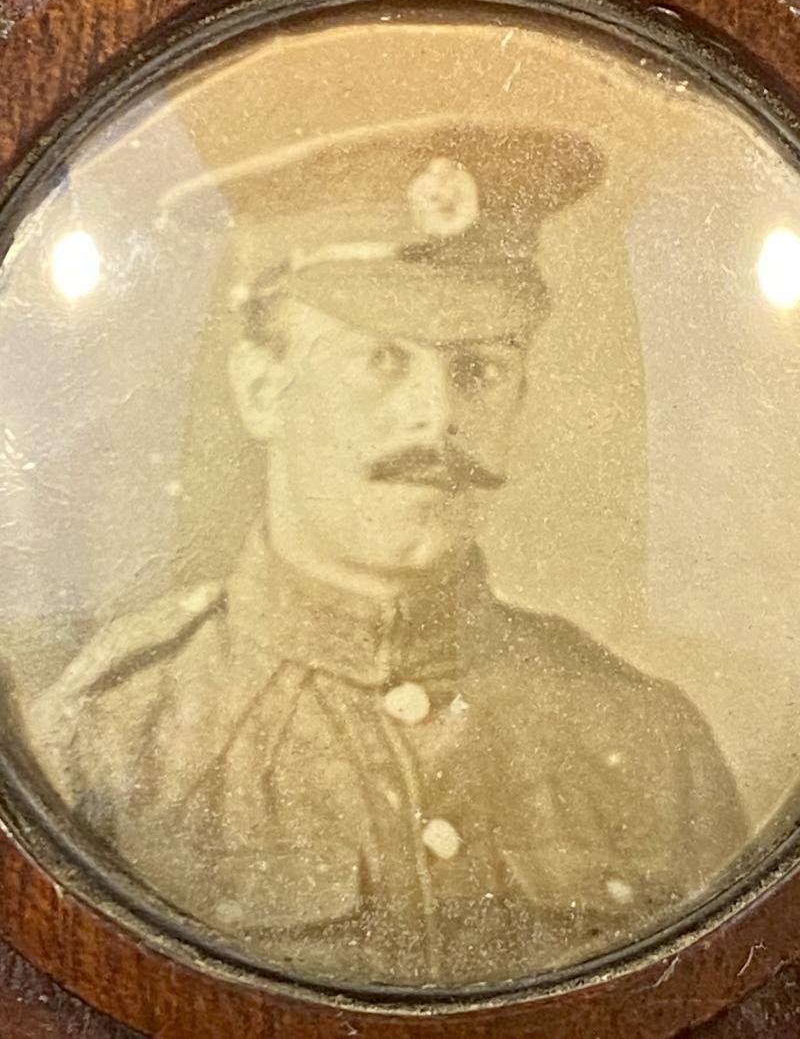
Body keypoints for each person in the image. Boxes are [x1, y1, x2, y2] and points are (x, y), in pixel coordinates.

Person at [25, 118, 747, 986]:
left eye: (477, 368)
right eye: (380, 359)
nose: (437, 418)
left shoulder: (650, 742)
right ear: (262, 387)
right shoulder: (108, 740)